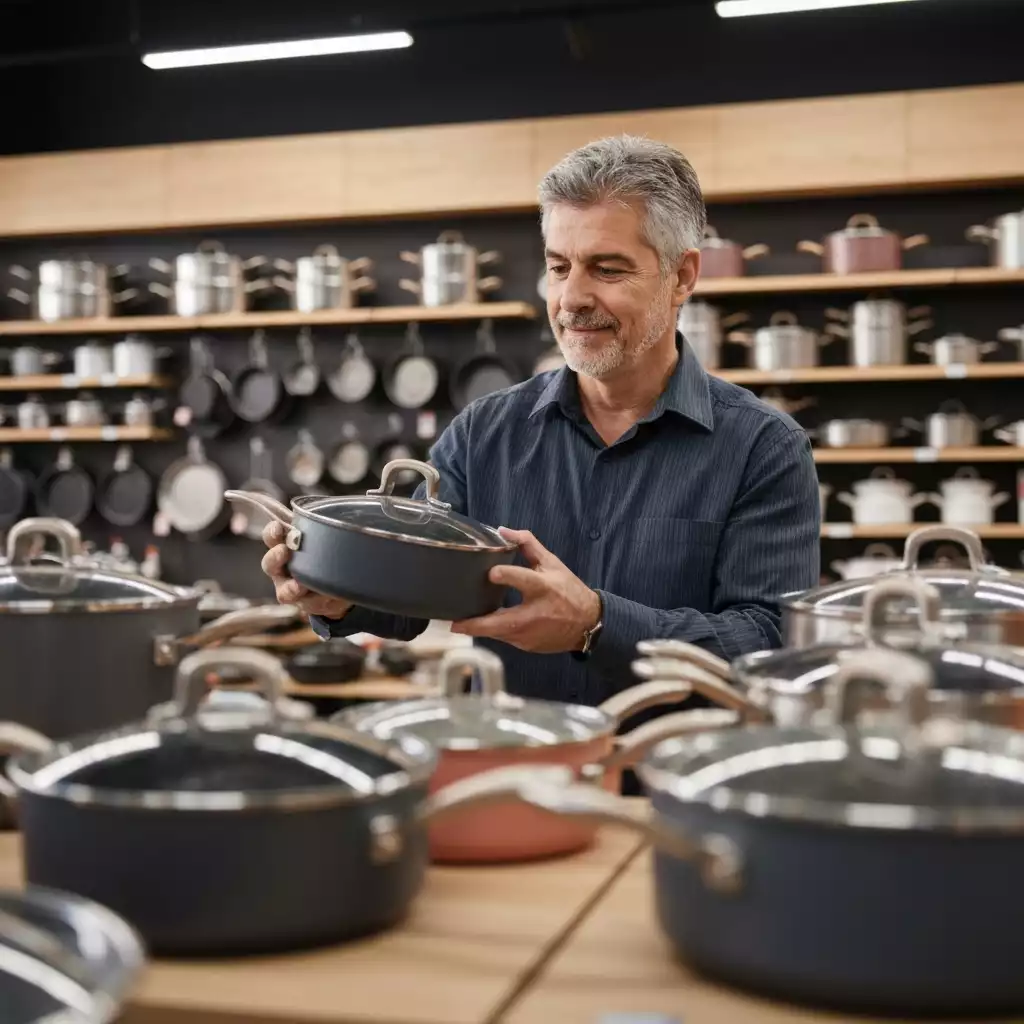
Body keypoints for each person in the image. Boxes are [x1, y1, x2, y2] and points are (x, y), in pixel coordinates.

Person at [262, 134, 821, 709]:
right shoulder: (485, 433)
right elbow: (413, 589)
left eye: (606, 269)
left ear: (681, 278)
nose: (571, 298)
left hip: (673, 774)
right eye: (559, 267)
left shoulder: (763, 448)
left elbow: (772, 642)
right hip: (516, 762)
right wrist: (334, 596)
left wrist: (597, 624)